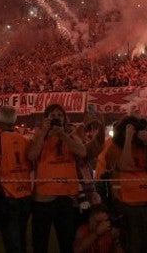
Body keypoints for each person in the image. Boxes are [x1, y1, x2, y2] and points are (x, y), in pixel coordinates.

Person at [29, 104, 91, 253]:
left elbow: (82, 152)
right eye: (52, 115)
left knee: (66, 243)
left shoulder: (71, 136)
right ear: (46, 119)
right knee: (40, 244)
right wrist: (44, 132)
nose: (56, 118)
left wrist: (62, 135)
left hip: (65, 197)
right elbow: (32, 156)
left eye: (60, 115)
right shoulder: (40, 136)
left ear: (64, 119)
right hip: (43, 197)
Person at [105, 116, 147, 253]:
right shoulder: (114, 147)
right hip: (127, 204)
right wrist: (128, 139)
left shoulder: (145, 145)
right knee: (133, 245)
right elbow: (125, 165)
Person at [0, 105, 33, 253]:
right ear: (14, 121)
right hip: (25, 195)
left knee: (12, 242)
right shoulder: (25, 140)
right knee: (21, 237)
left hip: (7, 196)